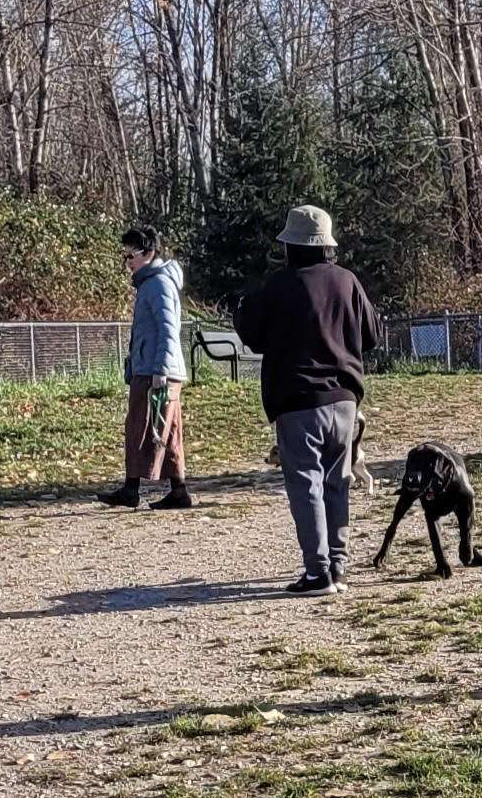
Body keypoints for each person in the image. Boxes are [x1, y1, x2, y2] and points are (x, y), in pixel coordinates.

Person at [232, 204, 381, 594]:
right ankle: (339, 566)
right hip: (346, 400)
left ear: (291, 246)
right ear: (327, 245)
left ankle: (317, 573)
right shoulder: (348, 281)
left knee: (306, 485)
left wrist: (242, 309)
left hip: (299, 400)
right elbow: (373, 333)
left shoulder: (281, 284)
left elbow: (251, 333)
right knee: (337, 482)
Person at [101, 226, 197, 509]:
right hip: (156, 367)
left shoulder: (158, 284)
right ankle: (178, 491)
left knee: (140, 427)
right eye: (125, 256)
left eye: (131, 255)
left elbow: (169, 328)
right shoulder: (153, 283)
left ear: (149, 253)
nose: (128, 261)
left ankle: (131, 490)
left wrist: (160, 369)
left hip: (156, 371)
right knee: (168, 430)